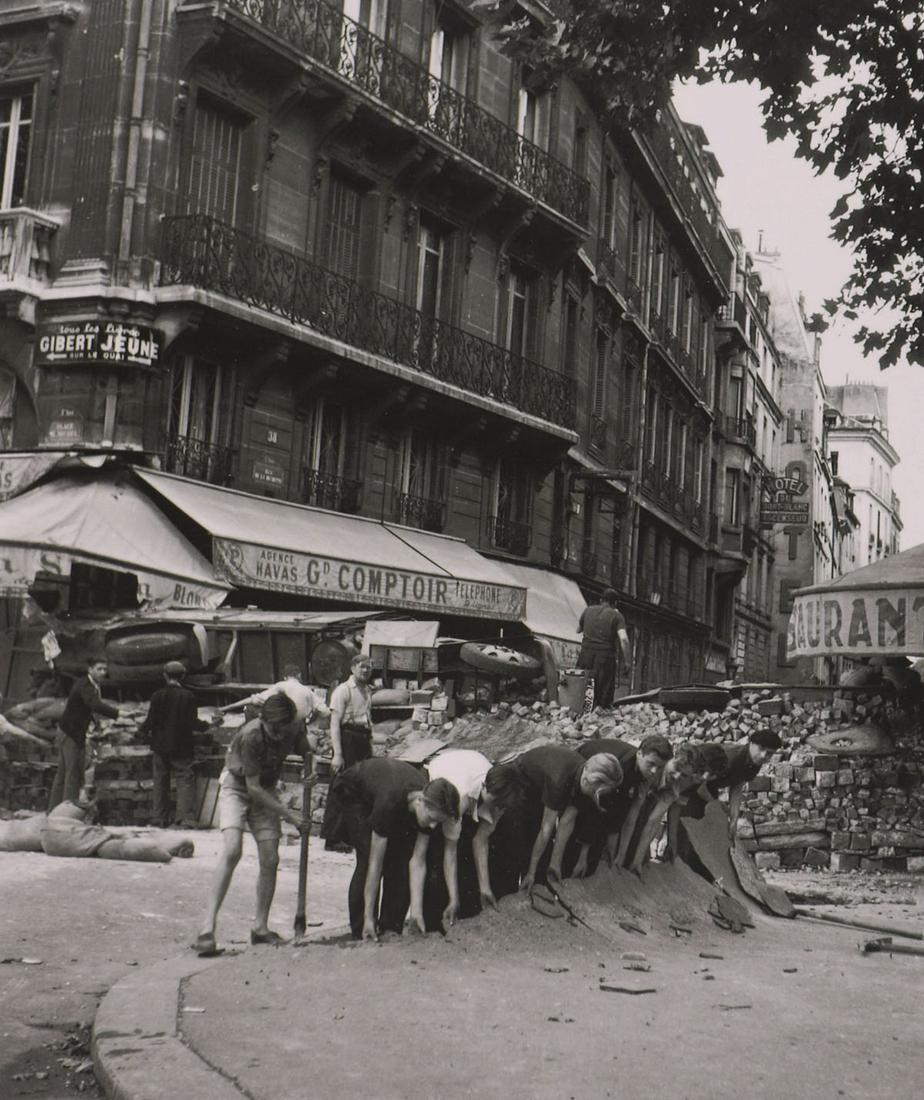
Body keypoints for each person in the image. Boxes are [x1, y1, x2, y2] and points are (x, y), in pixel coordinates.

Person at [194, 693, 310, 954]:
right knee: (232, 849)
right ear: (263, 719)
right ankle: (206, 928)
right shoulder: (251, 735)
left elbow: (304, 746)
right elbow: (253, 788)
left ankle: (260, 928)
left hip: (265, 791)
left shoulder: (291, 724)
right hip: (238, 787)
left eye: (283, 729)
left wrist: (308, 762)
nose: (279, 735)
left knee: (270, 859)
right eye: (273, 729)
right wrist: (291, 816)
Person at [324, 757, 459, 940]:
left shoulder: (429, 804)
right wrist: (369, 919)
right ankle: (363, 928)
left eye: (438, 822)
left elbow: (418, 861)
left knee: (402, 858)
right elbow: (375, 865)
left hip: (391, 790)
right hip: (354, 794)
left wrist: (416, 913)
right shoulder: (388, 802)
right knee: (368, 857)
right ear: (421, 800)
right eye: (431, 819)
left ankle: (390, 927)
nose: (433, 826)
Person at [485, 744, 624, 896]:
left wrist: (555, 863)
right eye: (598, 793)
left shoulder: (584, 780)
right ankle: (509, 892)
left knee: (543, 855)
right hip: (519, 784)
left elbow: (566, 822)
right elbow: (545, 829)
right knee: (517, 843)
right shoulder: (559, 779)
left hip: (540, 790)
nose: (598, 797)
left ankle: (536, 884)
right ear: (588, 780)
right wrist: (531, 872)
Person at [407, 748, 501, 932]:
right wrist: (453, 898)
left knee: (463, 857)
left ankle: (458, 914)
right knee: (433, 852)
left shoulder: (498, 796)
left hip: (468, 772)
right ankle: (426, 921)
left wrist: (484, 887)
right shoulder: (459, 798)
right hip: (438, 782)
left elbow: (481, 840)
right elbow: (450, 850)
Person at [569, 734, 673, 878]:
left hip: (603, 789)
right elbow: (595, 812)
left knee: (601, 848)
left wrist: (619, 854)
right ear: (639, 754)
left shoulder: (642, 770)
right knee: (577, 846)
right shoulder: (620, 768)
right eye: (651, 764)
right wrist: (582, 856)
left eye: (660, 767)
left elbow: (625, 813)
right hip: (581, 774)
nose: (654, 771)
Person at [138, 661, 211, 828]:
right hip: (181, 746)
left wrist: (140, 732)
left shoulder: (157, 695)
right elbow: (192, 723)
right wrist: (207, 726)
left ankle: (159, 818)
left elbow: (150, 721)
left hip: (160, 746)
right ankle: (184, 819)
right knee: (184, 779)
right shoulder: (188, 696)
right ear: (183, 675)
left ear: (165, 675)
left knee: (160, 781)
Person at [48, 659, 119, 811]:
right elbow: (94, 704)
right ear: (90, 669)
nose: (103, 672)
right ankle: (67, 812)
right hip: (71, 733)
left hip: (69, 731)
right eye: (99, 669)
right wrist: (117, 713)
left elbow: (86, 707)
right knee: (72, 774)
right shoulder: (85, 685)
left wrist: (95, 722)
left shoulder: (91, 685)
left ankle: (54, 811)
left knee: (63, 774)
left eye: (105, 669)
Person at [220, 664, 329, 730]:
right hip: (298, 726)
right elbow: (325, 711)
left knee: (249, 707)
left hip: (281, 726)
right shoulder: (308, 691)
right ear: (299, 675)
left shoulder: (280, 685)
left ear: (285, 677)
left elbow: (252, 700)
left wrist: (224, 708)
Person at [577, 588, 633, 708]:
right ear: (615, 603)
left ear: (601, 600)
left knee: (581, 690)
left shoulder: (588, 610)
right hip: (604, 659)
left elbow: (578, 630)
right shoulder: (617, 616)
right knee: (603, 697)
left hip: (585, 655)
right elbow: (624, 639)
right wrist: (628, 662)